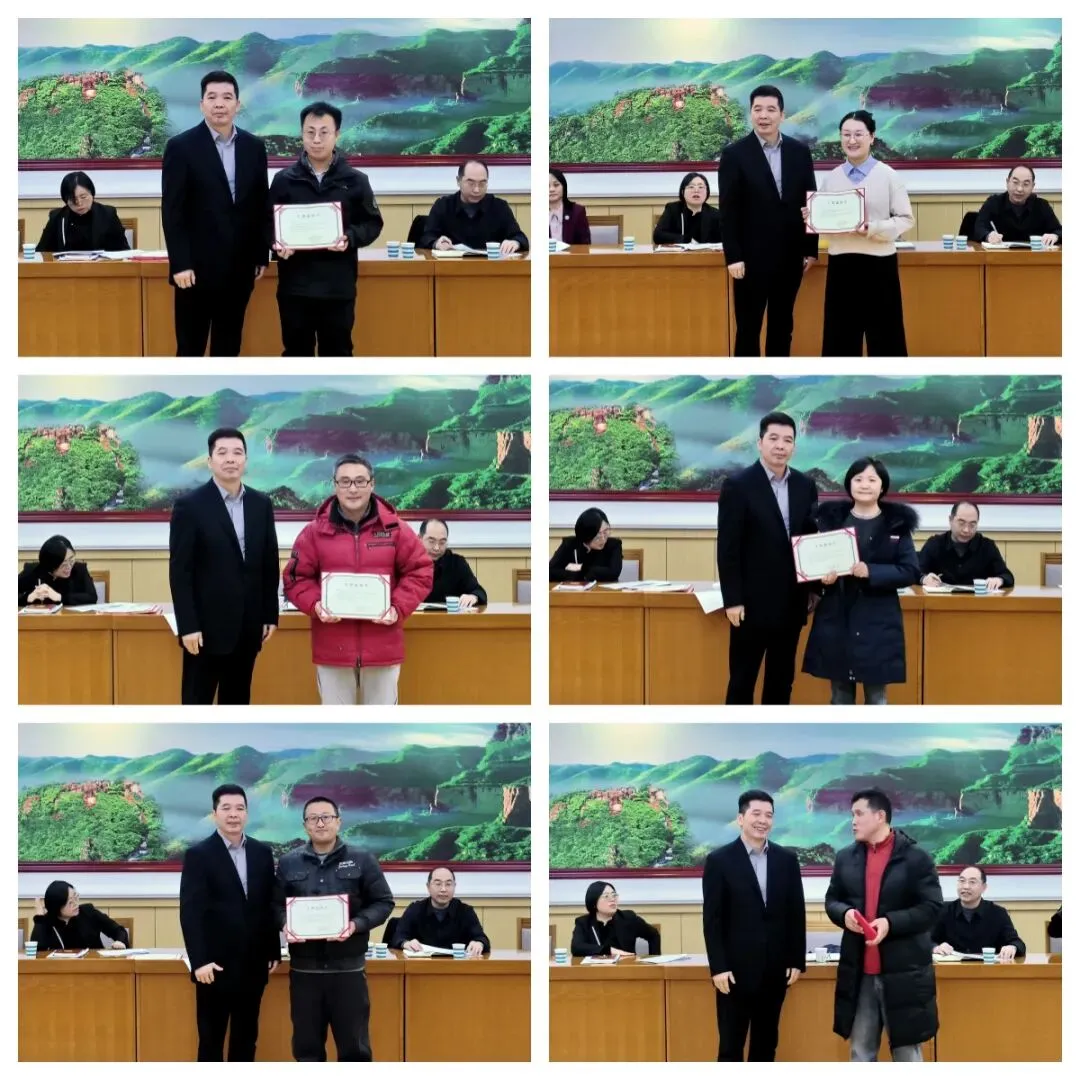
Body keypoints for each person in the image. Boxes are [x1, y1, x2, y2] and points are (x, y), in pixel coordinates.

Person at [283, 454, 433, 706]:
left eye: (360, 481)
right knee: (337, 723)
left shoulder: (395, 529)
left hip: (383, 648)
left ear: (372, 484)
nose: (353, 489)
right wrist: (316, 605)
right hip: (333, 650)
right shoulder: (314, 532)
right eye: (345, 482)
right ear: (335, 485)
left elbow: (420, 571)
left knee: (381, 724)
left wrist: (397, 607)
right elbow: (296, 578)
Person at [825, 789, 943, 1062]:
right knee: (861, 1052)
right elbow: (832, 900)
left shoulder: (917, 858)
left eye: (859, 814)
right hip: (860, 973)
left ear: (880, 816)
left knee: (907, 1055)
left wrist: (891, 922)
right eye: (852, 814)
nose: (853, 821)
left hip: (904, 974)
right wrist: (844, 914)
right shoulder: (845, 858)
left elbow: (932, 908)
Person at [273, 796, 394, 1062]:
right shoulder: (289, 862)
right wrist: (286, 922)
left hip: (348, 972)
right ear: (305, 825)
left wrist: (356, 924)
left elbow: (383, 902)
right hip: (304, 973)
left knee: (354, 1050)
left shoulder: (362, 859)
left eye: (326, 817)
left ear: (338, 822)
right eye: (313, 818)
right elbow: (274, 905)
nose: (320, 823)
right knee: (307, 1050)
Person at [168, 428, 280, 705]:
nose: (230, 459)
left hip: (248, 628)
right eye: (222, 453)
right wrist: (188, 626)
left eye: (237, 452)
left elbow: (269, 563)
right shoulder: (189, 506)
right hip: (204, 631)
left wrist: (270, 614)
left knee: (238, 704)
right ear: (210, 461)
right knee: (197, 705)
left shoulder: (261, 504)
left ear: (245, 460)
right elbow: (181, 572)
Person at [161, 70, 270, 356]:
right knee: (190, 349)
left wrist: (261, 254)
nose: (219, 104)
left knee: (229, 348)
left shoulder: (254, 147)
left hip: (239, 269)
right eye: (212, 97)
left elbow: (261, 203)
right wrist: (180, 264)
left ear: (237, 104)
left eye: (227, 97)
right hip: (194, 271)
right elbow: (173, 210)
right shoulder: (181, 147)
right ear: (202, 105)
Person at [716, 411, 819, 705]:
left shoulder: (805, 485)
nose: (780, 446)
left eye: (787, 440)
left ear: (794, 446)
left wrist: (814, 588)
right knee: (742, 681)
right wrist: (733, 599)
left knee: (781, 682)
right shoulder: (738, 485)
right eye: (773, 438)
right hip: (750, 605)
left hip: (792, 602)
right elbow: (728, 547)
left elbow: (810, 539)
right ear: (760, 442)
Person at [267, 101, 383, 357]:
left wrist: (350, 237)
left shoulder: (355, 180)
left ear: (336, 135)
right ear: (302, 134)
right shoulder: (284, 180)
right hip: (295, 287)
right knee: (296, 354)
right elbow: (266, 224)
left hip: (337, 287)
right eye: (310, 132)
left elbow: (373, 223)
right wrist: (276, 243)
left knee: (338, 354)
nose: (316, 139)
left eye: (324, 132)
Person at [802, 458, 919, 705]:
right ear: (849, 484)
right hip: (837, 619)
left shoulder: (897, 525)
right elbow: (815, 566)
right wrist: (823, 579)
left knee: (877, 699)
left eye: (872, 480)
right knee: (839, 697)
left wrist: (871, 571)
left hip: (878, 622)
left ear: (882, 487)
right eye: (858, 479)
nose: (864, 485)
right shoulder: (831, 522)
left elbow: (910, 571)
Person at [179, 784, 280, 1062]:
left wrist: (272, 949)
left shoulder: (261, 852)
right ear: (214, 814)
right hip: (214, 967)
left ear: (246, 813)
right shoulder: (199, 855)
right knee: (211, 1042)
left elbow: (268, 904)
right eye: (226, 808)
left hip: (254, 965)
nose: (233, 814)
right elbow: (191, 912)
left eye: (239, 808)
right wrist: (199, 961)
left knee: (246, 1041)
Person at [702, 790, 806, 1062]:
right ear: (741, 818)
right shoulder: (719, 861)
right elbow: (712, 919)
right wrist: (718, 967)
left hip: (775, 970)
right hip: (734, 973)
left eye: (769, 815)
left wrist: (796, 960)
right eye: (756, 814)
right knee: (730, 1047)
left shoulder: (787, 860)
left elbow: (796, 913)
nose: (763, 820)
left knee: (766, 1045)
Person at [716, 85, 818, 356]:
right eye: (757, 109)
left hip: (790, 257)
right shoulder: (734, 155)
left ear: (782, 115)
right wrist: (733, 256)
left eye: (771, 109)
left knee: (782, 327)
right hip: (750, 260)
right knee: (748, 328)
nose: (764, 115)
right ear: (750, 114)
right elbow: (728, 211)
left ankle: (777, 376)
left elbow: (811, 201)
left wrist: (810, 249)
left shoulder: (799, 152)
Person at [809, 111, 913, 356]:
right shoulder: (832, 178)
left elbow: (906, 219)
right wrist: (812, 217)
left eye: (858, 134)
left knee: (886, 339)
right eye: (846, 135)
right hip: (842, 266)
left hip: (879, 267)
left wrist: (872, 228)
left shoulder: (888, 175)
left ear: (872, 137)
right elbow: (826, 225)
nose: (852, 140)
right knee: (839, 340)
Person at [418, 159, 528, 254]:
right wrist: (436, 243)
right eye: (471, 183)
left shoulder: (499, 207)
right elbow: (426, 237)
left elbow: (520, 237)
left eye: (482, 184)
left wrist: (515, 242)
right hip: (451, 267)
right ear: (458, 181)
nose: (476, 190)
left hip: (491, 268)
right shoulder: (443, 205)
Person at [391, 868, 491, 956]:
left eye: (448, 884)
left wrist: (479, 943)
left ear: (454, 886)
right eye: (438, 884)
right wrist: (405, 943)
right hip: (421, 966)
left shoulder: (465, 911)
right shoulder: (415, 909)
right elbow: (397, 937)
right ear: (428, 886)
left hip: (457, 967)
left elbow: (481, 938)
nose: (443, 889)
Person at [931, 866, 1026, 959]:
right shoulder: (943, 911)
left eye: (972, 882)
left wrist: (1012, 947)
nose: (966, 886)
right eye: (962, 881)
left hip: (987, 968)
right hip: (951, 968)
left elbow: (1018, 943)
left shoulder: (998, 913)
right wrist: (935, 947)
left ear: (984, 887)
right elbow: (927, 941)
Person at [918, 501, 1014, 591]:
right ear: (950, 520)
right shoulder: (935, 544)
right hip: (940, 601)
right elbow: (915, 572)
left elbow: (1007, 576)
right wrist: (924, 579)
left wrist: (999, 580)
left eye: (972, 525)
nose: (966, 530)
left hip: (978, 601)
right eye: (961, 523)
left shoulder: (987, 546)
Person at [35, 172, 129, 253]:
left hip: (101, 267)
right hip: (66, 268)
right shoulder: (57, 217)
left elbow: (124, 251)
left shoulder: (108, 214)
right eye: (73, 199)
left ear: (92, 193)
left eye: (83, 197)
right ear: (66, 200)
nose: (79, 203)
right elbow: (41, 252)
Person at [971, 165, 1061, 247]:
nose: (1019, 189)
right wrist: (988, 236)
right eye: (1015, 182)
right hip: (999, 256)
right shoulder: (993, 202)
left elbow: (1059, 231)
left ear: (1032, 186)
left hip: (1034, 257)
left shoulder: (1042, 206)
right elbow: (979, 228)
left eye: (1026, 184)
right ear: (1007, 182)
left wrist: (1055, 236)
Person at [30, 881, 130, 950]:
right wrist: (39, 916)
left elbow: (118, 930)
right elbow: (37, 951)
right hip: (61, 971)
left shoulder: (88, 912)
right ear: (57, 907)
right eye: (70, 902)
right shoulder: (46, 922)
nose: (76, 904)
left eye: (76, 897)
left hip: (94, 968)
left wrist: (120, 941)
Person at [570, 881, 661, 957]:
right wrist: (609, 950)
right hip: (595, 970)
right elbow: (576, 947)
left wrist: (654, 961)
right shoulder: (584, 922)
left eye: (614, 895)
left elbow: (653, 934)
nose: (612, 899)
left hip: (626, 969)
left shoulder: (629, 918)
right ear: (593, 902)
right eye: (606, 896)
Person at [419, 518, 487, 608]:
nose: (436, 548)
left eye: (442, 542)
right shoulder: (406, 562)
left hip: (449, 616)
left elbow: (478, 591)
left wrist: (473, 596)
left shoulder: (457, 563)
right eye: (431, 541)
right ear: (419, 538)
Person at [18, 535, 97, 606]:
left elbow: (92, 597)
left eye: (71, 559)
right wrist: (28, 597)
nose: (69, 566)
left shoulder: (80, 570)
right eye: (63, 564)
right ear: (51, 565)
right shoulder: (33, 571)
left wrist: (59, 597)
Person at [549, 508, 623, 583]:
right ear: (586, 535)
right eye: (597, 536)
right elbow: (550, 572)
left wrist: (582, 568)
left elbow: (614, 573)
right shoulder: (569, 544)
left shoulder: (614, 545)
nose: (603, 539)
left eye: (606, 531)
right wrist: (587, 574)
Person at [653, 172, 723, 245]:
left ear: (707, 192)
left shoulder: (715, 214)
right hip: (678, 252)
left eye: (701, 187)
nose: (696, 190)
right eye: (691, 187)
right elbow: (658, 236)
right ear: (683, 192)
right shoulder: (672, 209)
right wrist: (686, 239)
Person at [549, 167, 591, 244]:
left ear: (564, 187)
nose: (551, 189)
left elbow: (585, 244)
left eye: (556, 185)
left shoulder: (577, 212)